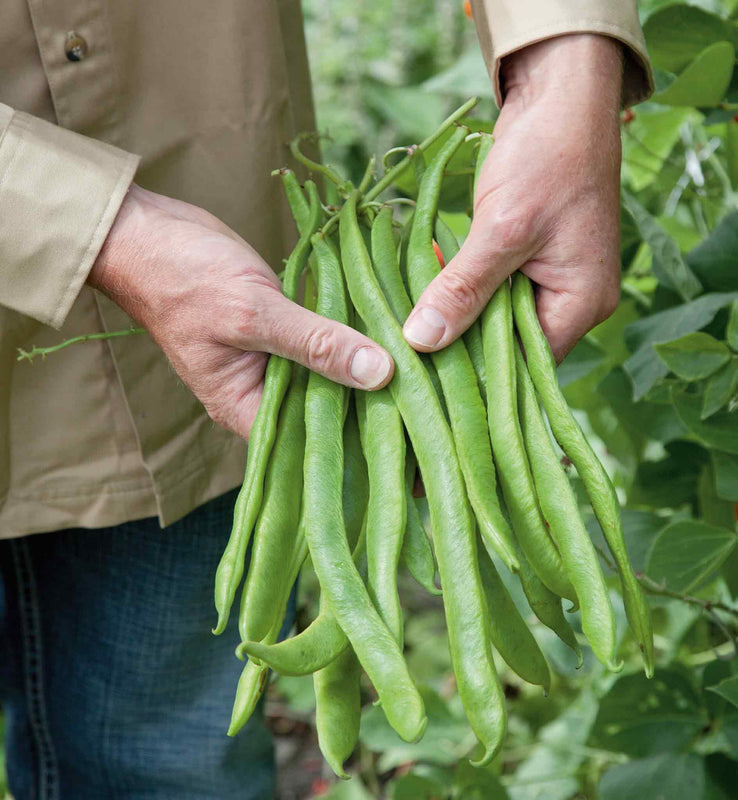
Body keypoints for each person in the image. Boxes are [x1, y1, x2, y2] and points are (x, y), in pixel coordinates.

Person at [0, 1, 653, 797]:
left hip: (216, 313)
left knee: (170, 761)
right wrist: (95, 230)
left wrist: (568, 64)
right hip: (200, 296)